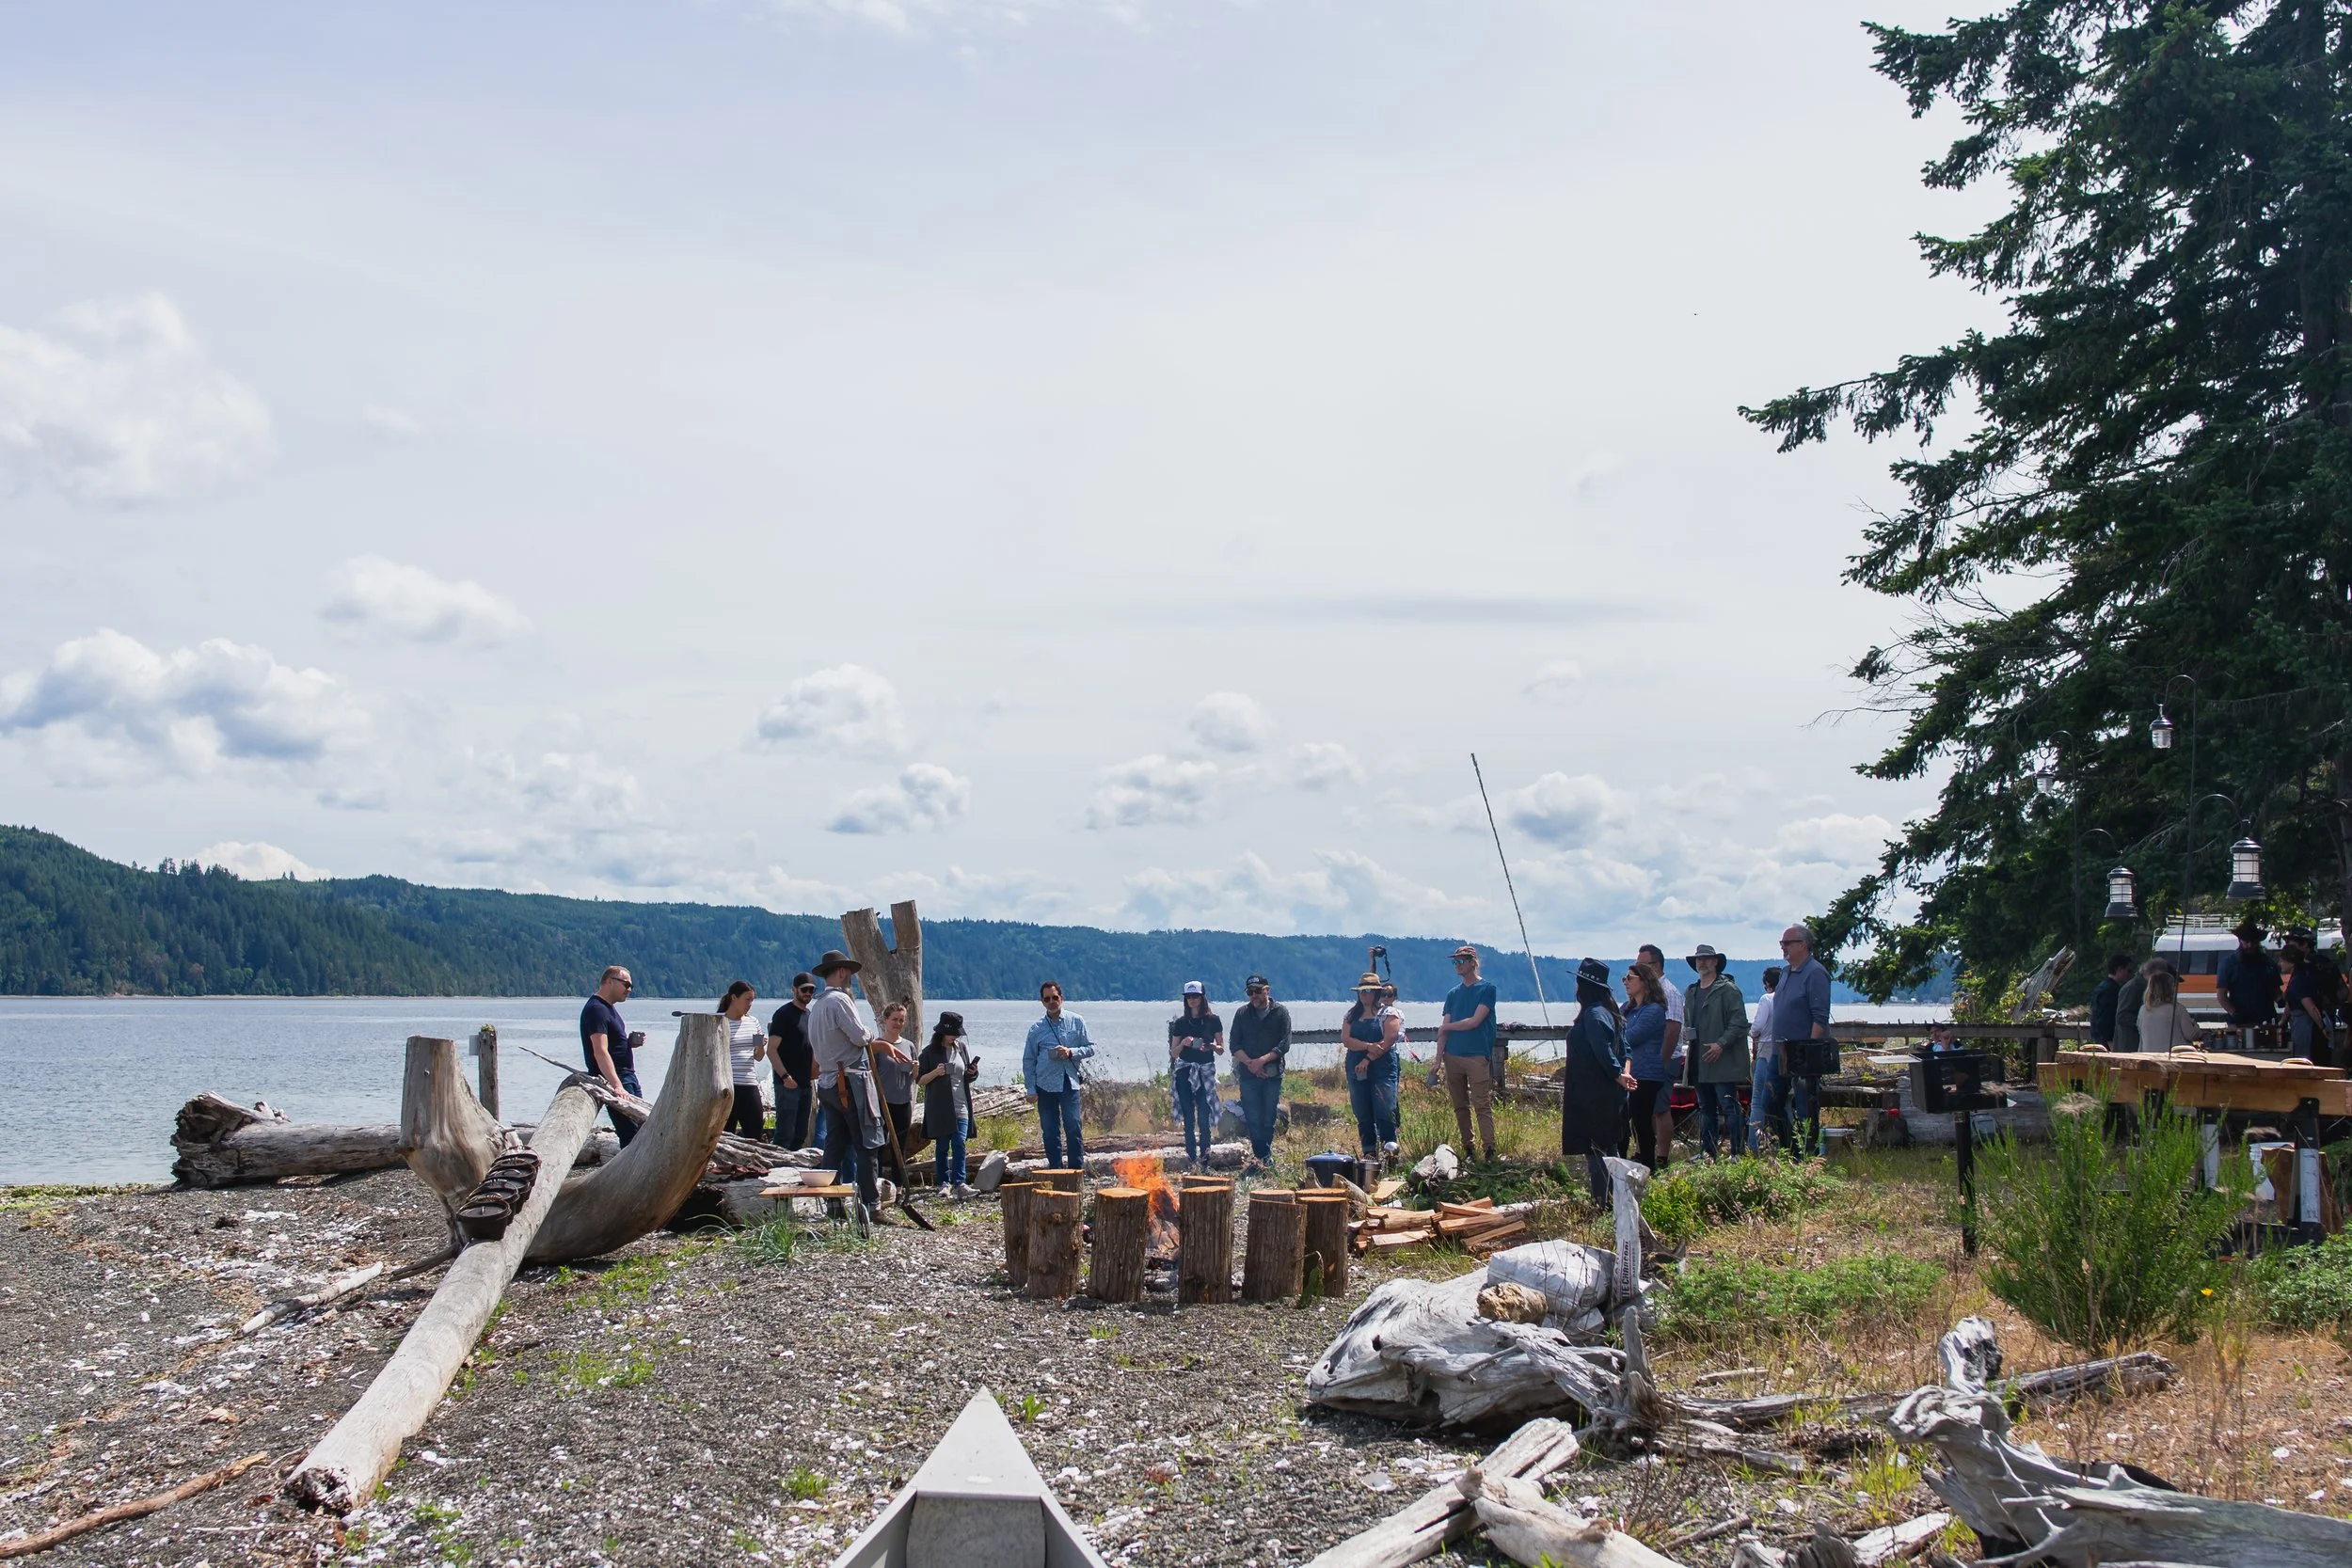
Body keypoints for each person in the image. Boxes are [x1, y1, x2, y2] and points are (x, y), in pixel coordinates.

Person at [805, 949, 882, 1221]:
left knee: (835, 1145)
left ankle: (834, 1205)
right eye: (847, 972)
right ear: (841, 972)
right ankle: (870, 1206)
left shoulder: (816, 1007)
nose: (849, 976)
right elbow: (860, 1036)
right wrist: (872, 1032)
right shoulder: (839, 1001)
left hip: (828, 1082)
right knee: (866, 1143)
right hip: (849, 1080)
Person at [1562, 958, 1639, 1203]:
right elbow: (1626, 1050)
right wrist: (1623, 1075)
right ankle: (1615, 1200)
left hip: (1593, 1094)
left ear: (1583, 987)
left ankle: (1602, 1202)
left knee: (1596, 1150)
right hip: (1605, 1093)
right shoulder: (1609, 1013)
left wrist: (1618, 1075)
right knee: (1608, 1147)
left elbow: (1602, 1050)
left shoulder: (1594, 1016)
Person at [1683, 944, 1750, 1159]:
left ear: (1715, 962)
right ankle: (1707, 1153)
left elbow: (1739, 1022)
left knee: (1729, 1105)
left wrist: (1721, 1044)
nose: (1701, 962)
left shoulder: (1728, 990)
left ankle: (1737, 1153)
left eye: (1706, 959)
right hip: (1699, 1059)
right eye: (1698, 959)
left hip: (1723, 1061)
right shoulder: (1691, 991)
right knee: (1705, 1108)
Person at [1435, 944, 1500, 1164]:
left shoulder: (1487, 989)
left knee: (1482, 1103)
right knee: (1460, 1105)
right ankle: (1468, 1148)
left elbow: (1475, 1021)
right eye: (1455, 961)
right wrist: (1437, 1060)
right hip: (1452, 1056)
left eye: (1461, 960)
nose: (1457, 965)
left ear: (1473, 962)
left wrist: (1448, 1028)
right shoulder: (1452, 994)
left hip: (1476, 1055)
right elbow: (1443, 1029)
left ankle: (1489, 1149)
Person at [1023, 981, 1094, 1170]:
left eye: (1055, 997)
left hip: (1069, 1082)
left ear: (1061, 997)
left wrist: (1071, 1052)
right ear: (1042, 1002)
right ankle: (1055, 1170)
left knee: (1073, 1127)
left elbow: (1091, 1048)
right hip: (1044, 1085)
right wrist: (1030, 1088)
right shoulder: (1036, 1029)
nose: (1052, 1002)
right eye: (1047, 999)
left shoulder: (1077, 1021)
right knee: (1050, 1131)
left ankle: (1075, 1170)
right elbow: (1029, 1060)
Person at [1776, 925, 1834, 1155]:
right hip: (1780, 1052)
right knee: (1772, 1101)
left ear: (1802, 944)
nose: (1783, 947)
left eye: (1787, 943)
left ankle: (1808, 1156)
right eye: (1782, 943)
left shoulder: (1816, 973)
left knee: (1805, 1108)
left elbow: (1819, 1018)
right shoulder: (1785, 972)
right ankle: (1790, 1150)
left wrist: (1809, 1054)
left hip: (1803, 1054)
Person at [1230, 974, 1292, 1167]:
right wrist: (1251, 1063)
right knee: (1252, 1116)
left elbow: (1284, 1044)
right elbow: (1234, 1044)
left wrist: (1262, 1061)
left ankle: (1263, 1156)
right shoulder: (1241, 1014)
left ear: (1267, 990)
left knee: (1268, 1116)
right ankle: (1262, 1157)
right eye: (1250, 992)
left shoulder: (1281, 1012)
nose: (1254, 995)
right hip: (1248, 1075)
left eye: (1257, 991)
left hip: (1272, 1074)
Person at [1342, 971, 1403, 1161]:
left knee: (1385, 1110)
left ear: (1377, 992)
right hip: (1356, 1068)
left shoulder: (1389, 1013)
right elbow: (1346, 1039)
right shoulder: (1352, 1014)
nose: (1365, 994)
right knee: (1362, 1111)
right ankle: (1368, 1153)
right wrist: (1368, 1047)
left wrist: (1367, 1059)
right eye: (1362, 990)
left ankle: (1390, 1153)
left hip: (1382, 1068)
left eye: (1369, 990)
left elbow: (1389, 1039)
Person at [918, 1010, 980, 1197]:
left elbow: (967, 1077)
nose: (956, 1036)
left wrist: (972, 1073)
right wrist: (936, 1073)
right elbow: (920, 1079)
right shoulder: (929, 1052)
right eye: (953, 1033)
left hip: (961, 1105)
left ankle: (960, 1183)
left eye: (957, 1033)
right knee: (942, 1146)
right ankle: (944, 1183)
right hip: (940, 1106)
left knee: (960, 1143)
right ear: (942, 1032)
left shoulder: (961, 1048)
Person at [580, 965, 642, 1148]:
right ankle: (631, 1175)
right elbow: (600, 1051)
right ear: (609, 982)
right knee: (630, 1134)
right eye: (626, 984)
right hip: (618, 1079)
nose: (629, 989)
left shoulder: (608, 1008)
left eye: (631, 986)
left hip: (627, 1076)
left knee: (641, 1130)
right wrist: (616, 1086)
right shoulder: (596, 1009)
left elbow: (610, 1045)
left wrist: (628, 1043)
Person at [1618, 966, 1671, 1172]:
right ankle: (1621, 1162)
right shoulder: (1626, 1008)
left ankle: (1649, 1165)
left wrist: (1617, 1033)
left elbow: (1630, 1036)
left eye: (1630, 978)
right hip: (1629, 1074)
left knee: (1641, 1121)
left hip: (1647, 1074)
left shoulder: (1655, 1011)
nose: (1626, 982)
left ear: (1645, 981)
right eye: (1624, 978)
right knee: (1623, 1120)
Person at [1168, 981, 1225, 1164]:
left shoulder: (1213, 1020)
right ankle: (1191, 1154)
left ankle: (1205, 1154)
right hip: (1185, 1070)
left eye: (1195, 996)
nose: (1192, 1000)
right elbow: (1173, 1053)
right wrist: (1184, 1043)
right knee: (1188, 1113)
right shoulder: (1181, 1023)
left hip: (1205, 1070)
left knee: (1204, 1112)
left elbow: (1221, 1049)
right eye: (1189, 997)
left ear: (1202, 997)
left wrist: (1210, 1046)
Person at [767, 973, 817, 1148]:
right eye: (804, 990)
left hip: (805, 1083)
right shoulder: (783, 1014)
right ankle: (777, 1170)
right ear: (794, 989)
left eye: (812, 990)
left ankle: (793, 1169)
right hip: (787, 1084)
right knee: (784, 1134)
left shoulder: (810, 1015)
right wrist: (785, 1076)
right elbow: (771, 1050)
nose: (808, 993)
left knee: (801, 1133)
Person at [1750, 965, 1793, 1151]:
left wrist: (1751, 1032)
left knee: (1758, 1101)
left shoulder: (1767, 999)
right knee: (1785, 1102)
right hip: (1786, 1053)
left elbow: (1757, 1027)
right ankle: (1789, 1142)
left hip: (1766, 1050)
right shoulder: (1788, 999)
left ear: (1768, 983)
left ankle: (1753, 1144)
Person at [873, 1002, 918, 1169]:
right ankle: (876, 1183)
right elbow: (871, 1074)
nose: (898, 1023)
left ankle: (898, 1186)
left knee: (899, 1146)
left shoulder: (909, 1045)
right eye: (894, 1019)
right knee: (878, 1144)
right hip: (882, 1101)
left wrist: (915, 1069)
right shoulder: (877, 1045)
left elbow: (914, 1078)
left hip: (903, 1101)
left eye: (901, 1020)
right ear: (885, 1020)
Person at [719, 980, 766, 1139]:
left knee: (755, 1130)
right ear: (734, 998)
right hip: (728, 1086)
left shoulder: (753, 1022)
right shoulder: (719, 1022)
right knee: (726, 1132)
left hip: (749, 1083)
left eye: (752, 1000)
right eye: (747, 999)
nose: (750, 1004)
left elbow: (759, 1056)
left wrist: (760, 1045)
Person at [2217, 919, 2280, 1034]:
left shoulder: (2268, 963)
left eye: (2253, 942)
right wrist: (2234, 1013)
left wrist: (2282, 999)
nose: (2250, 945)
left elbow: (2276, 990)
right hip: (2239, 1022)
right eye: (2246, 942)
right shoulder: (2229, 964)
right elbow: (2221, 995)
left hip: (2265, 1021)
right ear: (2240, 940)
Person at [2283, 929, 2339, 1060]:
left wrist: (2322, 1026)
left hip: (2309, 1023)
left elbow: (2310, 1005)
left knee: (2307, 1059)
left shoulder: (2302, 975)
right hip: (2320, 1018)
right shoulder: (2315, 967)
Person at [1637, 942, 1687, 1081]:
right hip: (1648, 1061)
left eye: (1642, 966)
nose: (1637, 970)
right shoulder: (1647, 991)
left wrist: (1661, 1063)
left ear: (1656, 966)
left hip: (1665, 1061)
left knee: (1659, 1101)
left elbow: (1672, 1030)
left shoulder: (1668, 992)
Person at [2137, 965, 2202, 1050]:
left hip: (2149, 1056)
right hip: (2174, 1057)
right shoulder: (2178, 1009)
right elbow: (2191, 1035)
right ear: (2169, 989)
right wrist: (2196, 1027)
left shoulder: (2143, 1010)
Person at [2113, 957, 2158, 1052]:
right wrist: (2144, 1021)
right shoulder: (2133, 988)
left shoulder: (2138, 986)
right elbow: (2122, 1016)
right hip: (2129, 1044)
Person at [2088, 954, 2133, 1047]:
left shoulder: (2100, 987)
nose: (2130, 974)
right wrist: (2110, 1041)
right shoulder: (2112, 990)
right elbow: (2107, 1017)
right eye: (2128, 970)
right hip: (2107, 1040)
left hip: (2098, 1036)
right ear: (2119, 970)